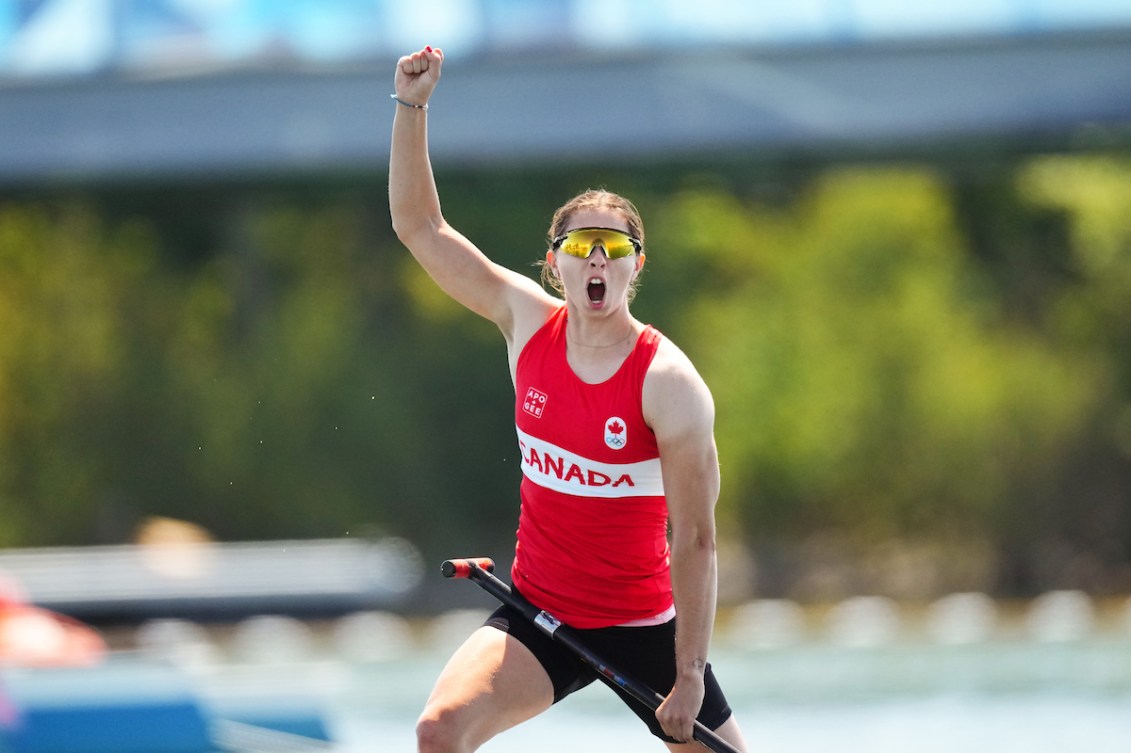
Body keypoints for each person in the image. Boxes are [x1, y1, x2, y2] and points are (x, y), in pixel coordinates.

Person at [389, 46, 749, 753]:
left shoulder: (668, 383)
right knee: (438, 730)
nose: (595, 258)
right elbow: (419, 228)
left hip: (645, 628)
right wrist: (411, 106)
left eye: (612, 246)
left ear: (633, 266)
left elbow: (697, 540)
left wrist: (689, 676)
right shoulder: (523, 320)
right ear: (552, 262)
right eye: (579, 244)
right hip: (539, 614)